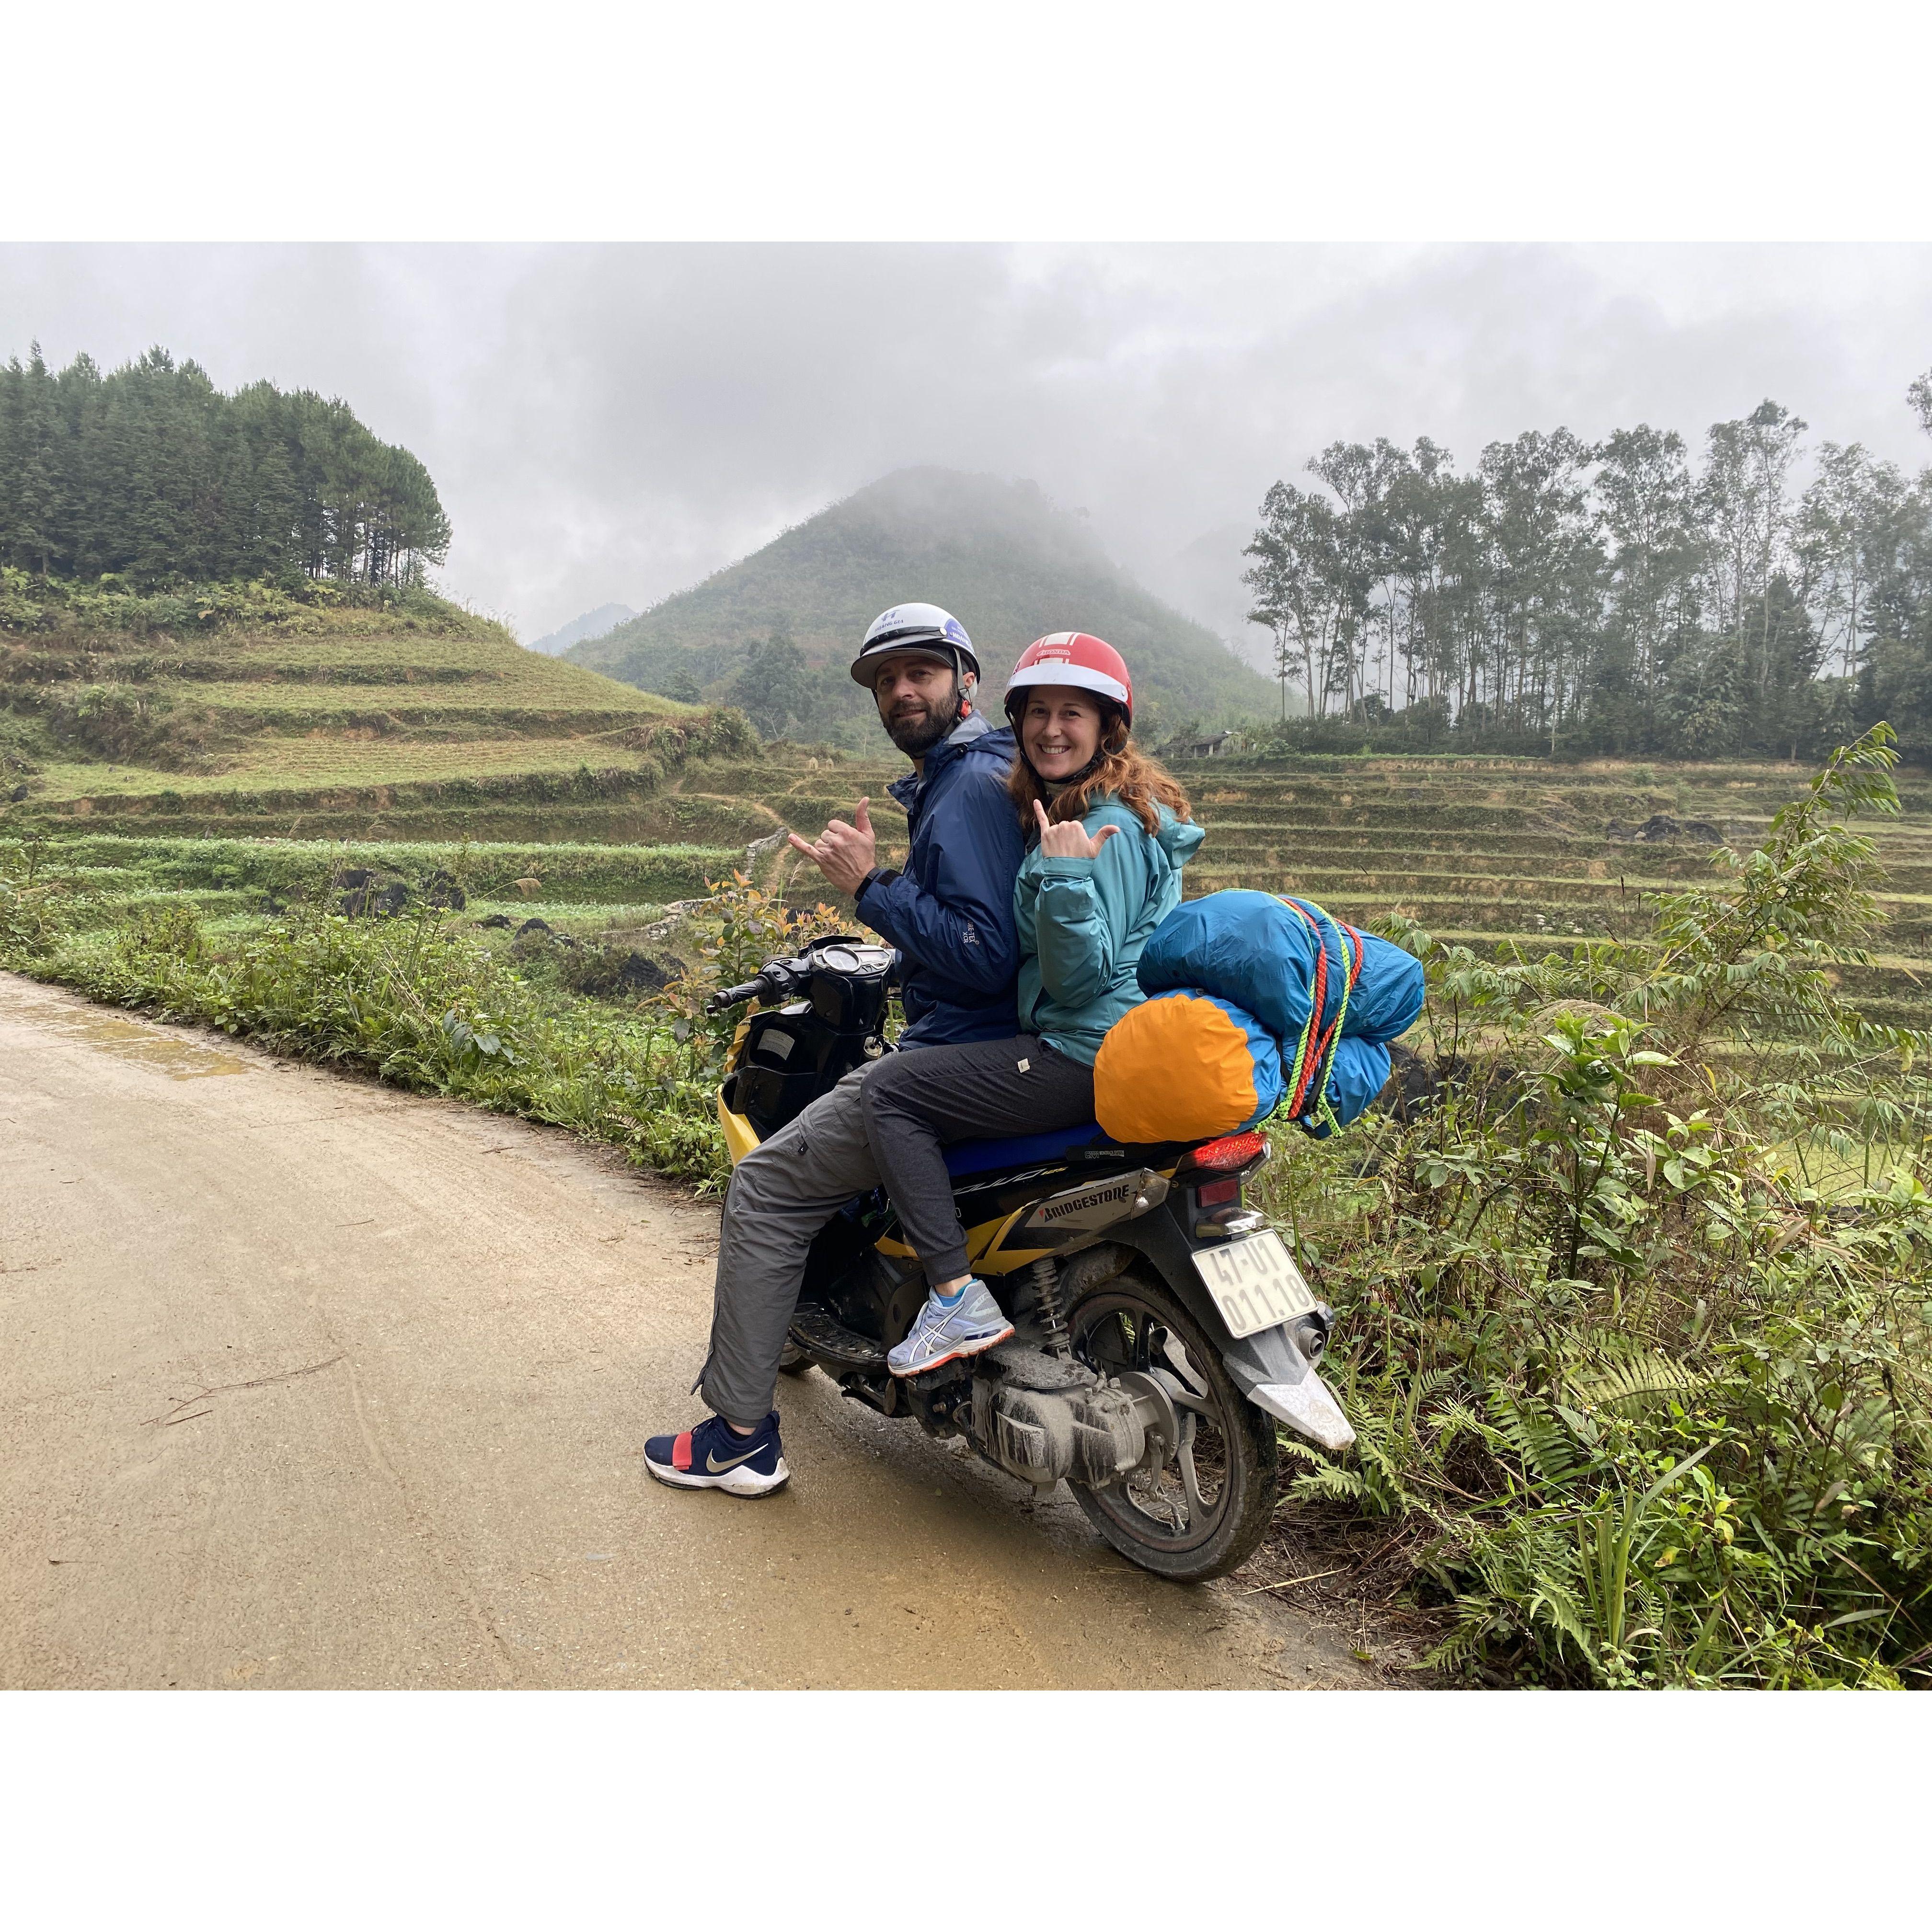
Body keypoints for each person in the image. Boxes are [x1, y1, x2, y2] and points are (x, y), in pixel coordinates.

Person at [645, 602, 1024, 1495]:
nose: (901, 691)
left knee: (769, 1184)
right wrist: (901, 941)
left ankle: (740, 1435)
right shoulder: (989, 771)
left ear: (968, 681)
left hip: (967, 1045)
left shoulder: (966, 784)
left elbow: (985, 950)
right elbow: (991, 929)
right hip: (1009, 1039)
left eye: (921, 672)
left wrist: (869, 888)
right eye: (886, 680)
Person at [862, 632, 1201, 1376]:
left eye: (1072, 714)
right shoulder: (1097, 806)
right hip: (1108, 1041)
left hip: (1081, 1050)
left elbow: (1080, 982)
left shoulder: (1101, 825)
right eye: (1037, 712)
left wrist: (1068, 878)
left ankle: (954, 1297)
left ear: (1108, 726)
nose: (1051, 729)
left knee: (892, 1091)